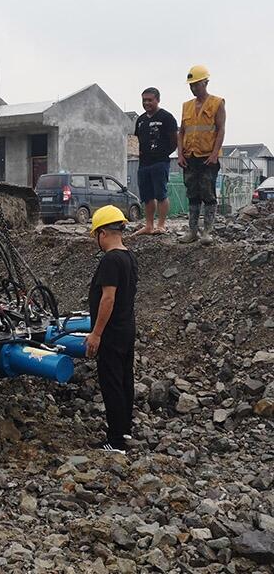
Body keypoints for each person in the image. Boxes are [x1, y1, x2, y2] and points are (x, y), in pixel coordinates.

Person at [85, 205, 138, 454]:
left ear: (103, 233)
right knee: (125, 379)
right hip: (127, 328)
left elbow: (108, 298)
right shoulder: (129, 257)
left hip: (112, 332)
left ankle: (116, 441)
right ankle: (124, 429)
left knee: (112, 382)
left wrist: (96, 333)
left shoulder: (110, 259)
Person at [178, 65, 226, 245]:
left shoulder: (217, 103)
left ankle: (207, 231)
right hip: (190, 156)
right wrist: (180, 154)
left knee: (208, 193)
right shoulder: (186, 106)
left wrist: (215, 154)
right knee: (192, 194)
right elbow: (181, 132)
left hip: (207, 157)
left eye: (196, 84)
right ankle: (192, 231)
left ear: (205, 82)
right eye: (191, 85)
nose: (193, 88)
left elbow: (221, 130)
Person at [133, 87, 178, 235]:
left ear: (157, 100)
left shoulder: (166, 117)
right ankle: (149, 225)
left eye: (149, 100)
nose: (146, 103)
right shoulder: (140, 120)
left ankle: (161, 225)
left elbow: (174, 140)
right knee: (147, 196)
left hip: (160, 162)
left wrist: (163, 153)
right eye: (144, 100)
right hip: (144, 164)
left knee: (161, 194)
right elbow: (137, 141)